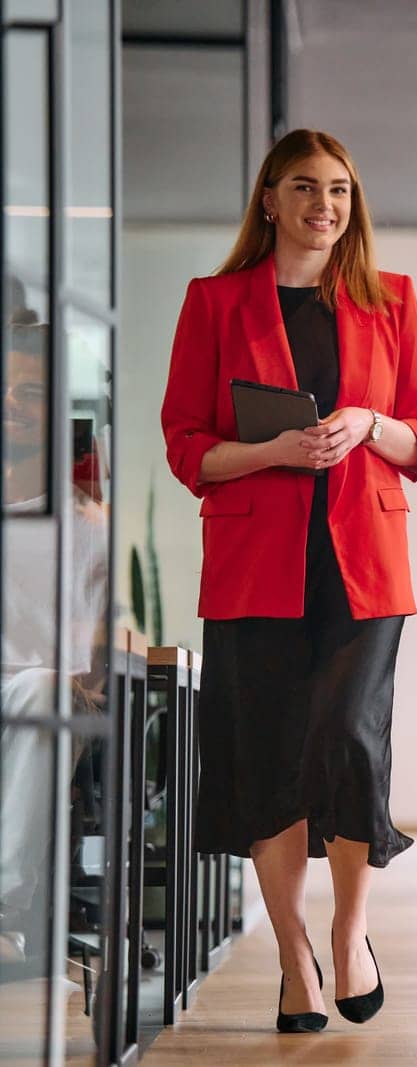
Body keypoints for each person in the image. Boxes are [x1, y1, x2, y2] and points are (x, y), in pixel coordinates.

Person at [159, 129, 417, 1032]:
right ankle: (293, 955)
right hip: (254, 567)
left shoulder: (391, 301)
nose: (326, 205)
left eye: (341, 190)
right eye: (306, 188)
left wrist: (368, 421)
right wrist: (273, 451)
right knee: (270, 763)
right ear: (270, 200)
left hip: (365, 564)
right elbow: (185, 443)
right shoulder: (214, 302)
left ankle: (351, 932)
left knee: (353, 744)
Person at [0, 319, 108, 965]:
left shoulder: (85, 523)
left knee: (40, 690)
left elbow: (93, 663)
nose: (12, 402)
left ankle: (6, 912)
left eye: (31, 391)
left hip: (39, 694)